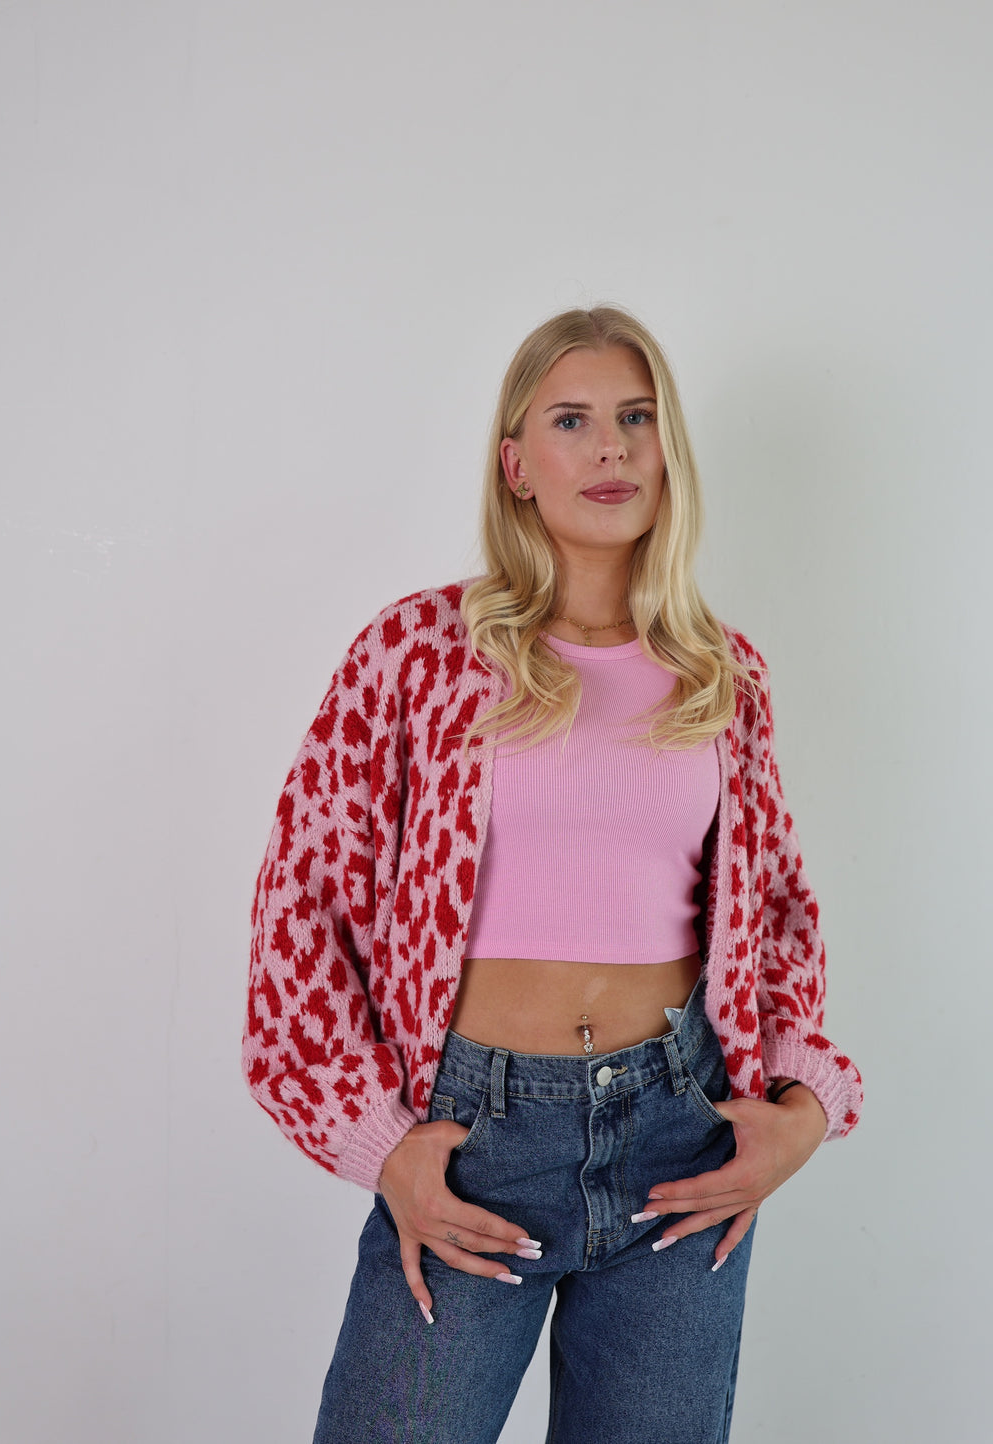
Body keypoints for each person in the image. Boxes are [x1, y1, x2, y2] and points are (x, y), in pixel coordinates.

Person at [242, 304, 863, 1444]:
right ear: (516, 464)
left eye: (637, 417)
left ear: (668, 451)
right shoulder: (420, 651)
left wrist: (801, 1112)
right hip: (473, 1148)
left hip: (681, 1140)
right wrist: (380, 1146)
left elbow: (775, 915)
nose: (611, 447)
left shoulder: (723, 676)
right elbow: (304, 902)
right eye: (571, 420)